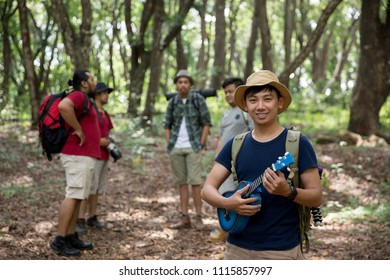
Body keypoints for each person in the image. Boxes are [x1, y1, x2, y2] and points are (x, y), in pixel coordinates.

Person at [201, 70, 322, 259]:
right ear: (246, 106)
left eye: (267, 99)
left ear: (279, 102)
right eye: (253, 100)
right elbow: (207, 189)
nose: (260, 106)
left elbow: (316, 197)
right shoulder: (236, 144)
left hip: (280, 250)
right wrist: (228, 203)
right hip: (236, 248)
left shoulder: (297, 143)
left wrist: (287, 191)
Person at [50, 70, 100, 257]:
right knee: (73, 194)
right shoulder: (78, 95)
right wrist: (78, 129)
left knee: (79, 196)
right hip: (76, 155)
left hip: (84, 156)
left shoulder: (85, 98)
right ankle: (60, 239)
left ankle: (71, 236)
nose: (94, 82)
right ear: (84, 83)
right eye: (92, 79)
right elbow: (64, 106)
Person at [164, 69, 212, 230]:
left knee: (196, 182)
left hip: (193, 146)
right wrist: (169, 144)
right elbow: (167, 124)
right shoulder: (173, 102)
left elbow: (206, 122)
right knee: (182, 183)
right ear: (176, 85)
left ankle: (199, 217)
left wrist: (201, 144)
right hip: (176, 147)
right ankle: (184, 217)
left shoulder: (198, 99)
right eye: (180, 82)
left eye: (186, 82)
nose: (183, 85)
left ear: (190, 84)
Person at [208, 77, 254, 243]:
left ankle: (239, 228)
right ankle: (225, 228)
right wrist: (216, 158)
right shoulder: (226, 114)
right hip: (225, 163)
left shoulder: (246, 111)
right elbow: (221, 138)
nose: (228, 95)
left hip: (241, 161)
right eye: (225, 92)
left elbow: (254, 133)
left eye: (231, 91)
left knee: (241, 194)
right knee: (222, 193)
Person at [76, 82, 114, 233]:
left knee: (96, 188)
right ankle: (80, 219)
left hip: (104, 155)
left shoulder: (105, 114)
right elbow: (84, 133)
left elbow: (108, 133)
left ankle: (92, 217)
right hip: (93, 155)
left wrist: (111, 144)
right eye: (105, 93)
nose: (107, 96)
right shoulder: (89, 111)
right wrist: (100, 142)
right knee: (88, 187)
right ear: (97, 94)